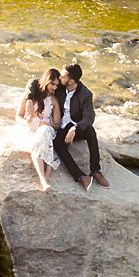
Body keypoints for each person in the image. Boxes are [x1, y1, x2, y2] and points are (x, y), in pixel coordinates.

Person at [56, 62, 106, 191]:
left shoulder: (85, 94)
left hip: (75, 126)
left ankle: (95, 170)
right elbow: (42, 83)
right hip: (61, 125)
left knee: (90, 130)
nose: (59, 78)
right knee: (57, 144)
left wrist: (75, 128)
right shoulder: (59, 86)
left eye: (63, 77)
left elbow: (89, 117)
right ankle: (81, 176)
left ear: (71, 80)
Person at [12, 68, 64, 192]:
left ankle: (43, 180)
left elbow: (57, 124)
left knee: (44, 132)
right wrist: (26, 123)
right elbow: (18, 116)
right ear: (46, 81)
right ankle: (45, 177)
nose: (55, 88)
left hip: (47, 129)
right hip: (31, 129)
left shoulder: (54, 100)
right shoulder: (31, 95)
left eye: (57, 85)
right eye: (53, 84)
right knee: (38, 142)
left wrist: (47, 123)